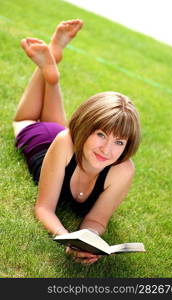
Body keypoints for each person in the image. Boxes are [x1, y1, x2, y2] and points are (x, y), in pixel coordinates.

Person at [13, 19, 141, 265]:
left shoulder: (123, 169)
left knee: (63, 130)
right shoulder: (65, 140)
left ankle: (52, 66)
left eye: (119, 142)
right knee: (26, 120)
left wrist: (88, 240)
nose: (107, 149)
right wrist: (66, 239)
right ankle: (48, 71)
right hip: (43, 140)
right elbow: (44, 209)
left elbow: (97, 221)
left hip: (71, 140)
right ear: (86, 129)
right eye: (101, 134)